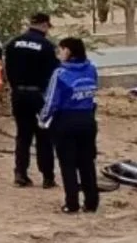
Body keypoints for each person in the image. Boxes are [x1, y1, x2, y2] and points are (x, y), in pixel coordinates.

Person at [38, 37, 100, 213]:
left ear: (68, 51)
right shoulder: (92, 68)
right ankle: (91, 202)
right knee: (87, 162)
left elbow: (51, 101)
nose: (59, 53)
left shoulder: (60, 73)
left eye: (61, 49)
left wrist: (43, 120)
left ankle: (72, 203)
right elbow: (93, 91)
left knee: (68, 163)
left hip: (66, 120)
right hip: (87, 119)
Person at [4, 12, 59, 188]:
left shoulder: (13, 43)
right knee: (44, 136)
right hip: (39, 95)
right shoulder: (47, 46)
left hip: (18, 94)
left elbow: (8, 70)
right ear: (44, 25)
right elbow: (54, 74)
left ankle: (20, 174)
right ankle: (48, 177)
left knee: (23, 136)